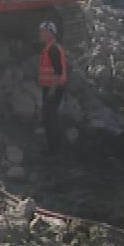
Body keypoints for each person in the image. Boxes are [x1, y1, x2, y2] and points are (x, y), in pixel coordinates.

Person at [37, 19, 69, 154]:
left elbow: (58, 71)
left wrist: (52, 89)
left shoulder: (53, 49)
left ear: (50, 33)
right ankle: (54, 147)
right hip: (50, 87)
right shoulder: (49, 47)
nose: (40, 34)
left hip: (54, 89)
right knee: (49, 117)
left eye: (43, 31)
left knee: (49, 118)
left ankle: (54, 149)